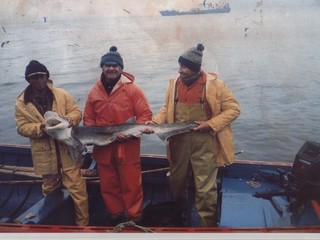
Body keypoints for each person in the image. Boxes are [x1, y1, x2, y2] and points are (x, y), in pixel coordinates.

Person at [146, 43, 240, 227]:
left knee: (205, 188)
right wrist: (156, 122)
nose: (179, 70)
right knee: (176, 181)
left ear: (196, 69)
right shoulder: (174, 84)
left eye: (185, 67)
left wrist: (210, 124)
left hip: (205, 142)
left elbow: (234, 109)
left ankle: (208, 226)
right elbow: (167, 108)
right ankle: (179, 214)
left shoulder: (216, 85)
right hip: (178, 141)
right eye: (179, 65)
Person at [83, 46, 152, 225]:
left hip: (127, 147)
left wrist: (130, 134)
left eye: (115, 65)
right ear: (102, 68)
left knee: (131, 185)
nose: (111, 68)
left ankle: (135, 217)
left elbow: (145, 115)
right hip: (103, 148)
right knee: (108, 185)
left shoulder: (132, 90)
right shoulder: (94, 91)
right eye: (107, 65)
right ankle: (115, 216)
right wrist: (93, 135)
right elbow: (88, 119)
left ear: (121, 69)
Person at [15, 60, 89, 226]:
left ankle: (83, 225)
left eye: (41, 76)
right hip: (44, 153)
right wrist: (41, 128)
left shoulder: (62, 94)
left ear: (47, 76)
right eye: (34, 77)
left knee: (77, 188)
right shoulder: (21, 103)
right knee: (49, 188)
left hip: (68, 148)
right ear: (28, 80)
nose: (39, 80)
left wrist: (69, 120)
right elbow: (21, 128)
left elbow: (76, 112)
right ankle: (53, 226)